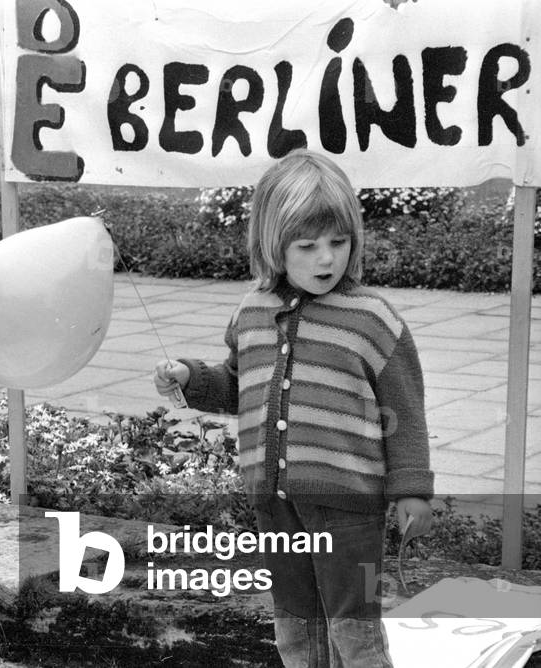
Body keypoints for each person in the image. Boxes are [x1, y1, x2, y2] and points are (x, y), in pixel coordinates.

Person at [153, 149, 434, 668]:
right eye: (307, 246)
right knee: (295, 619)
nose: (326, 259)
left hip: (349, 507)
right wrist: (193, 379)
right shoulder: (252, 311)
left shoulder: (373, 320)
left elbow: (406, 413)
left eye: (339, 242)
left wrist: (412, 489)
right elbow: (241, 386)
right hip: (274, 503)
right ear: (273, 245)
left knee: (355, 626)